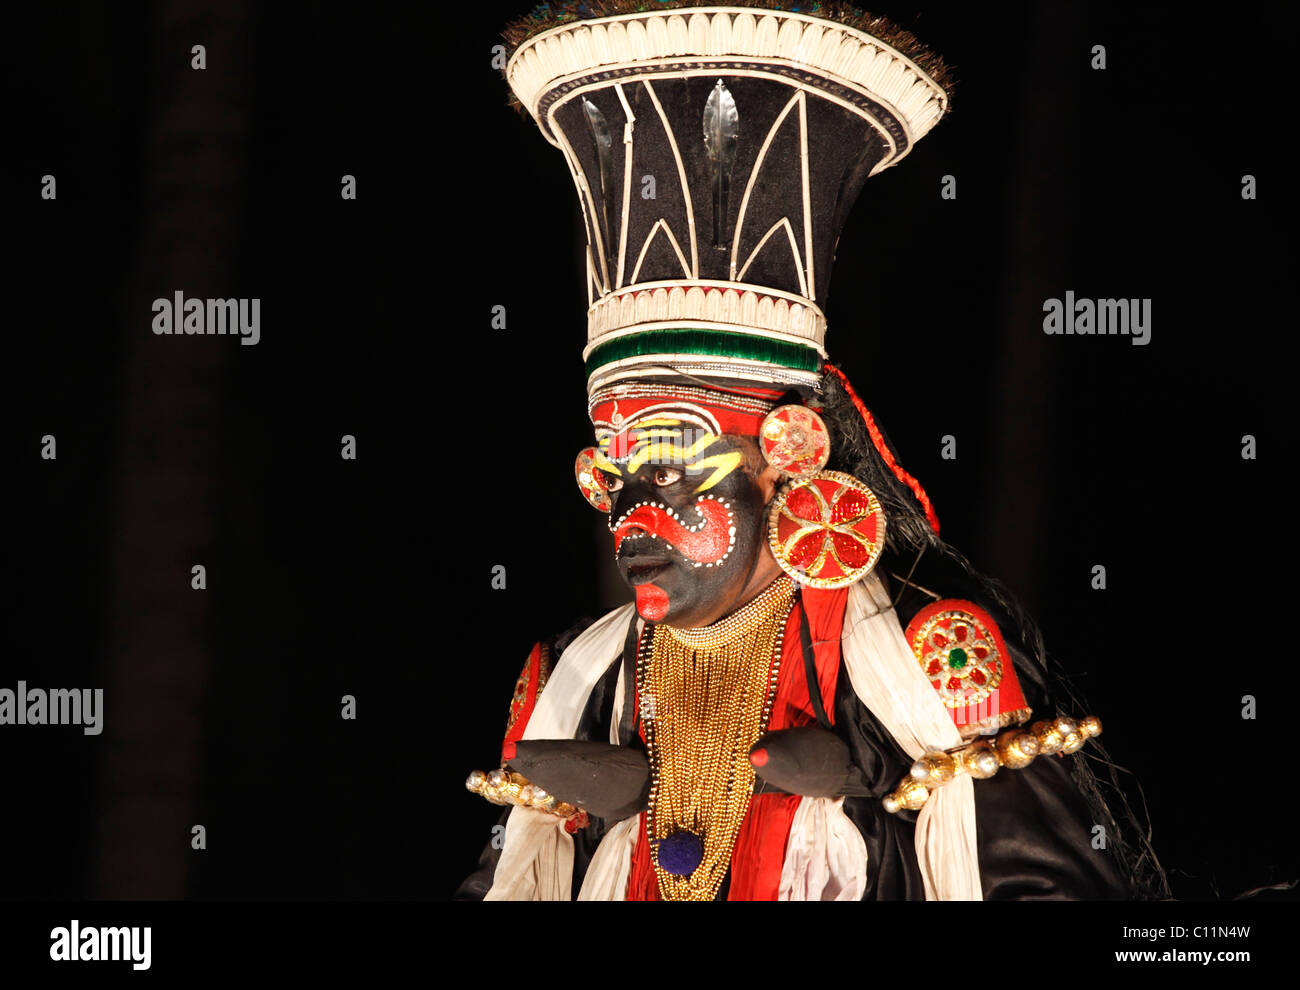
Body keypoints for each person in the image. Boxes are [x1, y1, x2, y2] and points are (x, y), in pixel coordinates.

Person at [457, 0, 1165, 901]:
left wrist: (878, 777)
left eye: (674, 461)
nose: (633, 512)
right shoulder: (575, 681)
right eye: (616, 466)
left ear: (788, 447)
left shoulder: (927, 660)